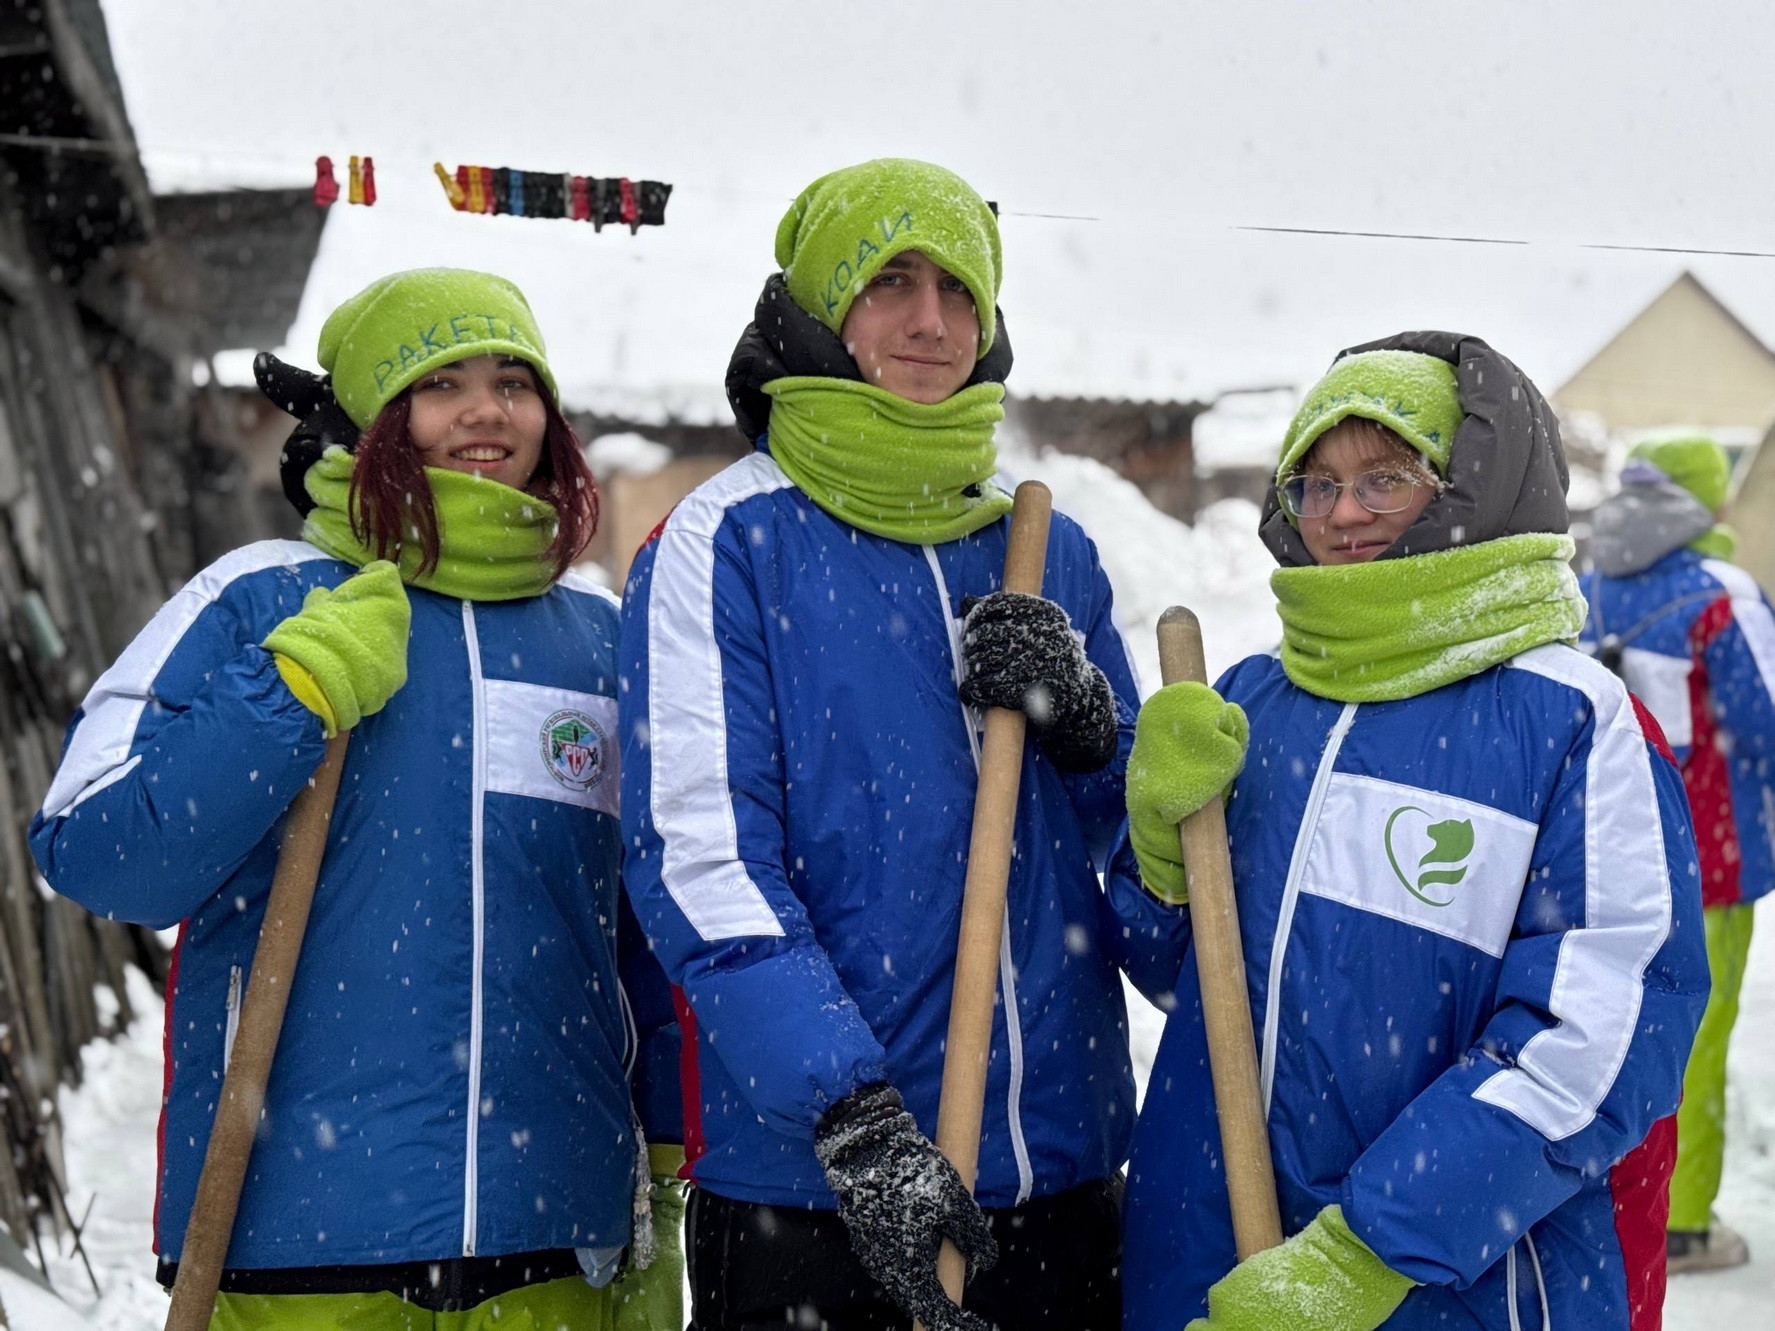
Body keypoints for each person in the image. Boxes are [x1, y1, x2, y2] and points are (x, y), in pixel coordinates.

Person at [30, 268, 683, 1329]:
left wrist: (658, 1178)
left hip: (553, 1240)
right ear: (376, 416)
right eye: (440, 383)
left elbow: (649, 940)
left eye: (514, 381)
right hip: (301, 1237)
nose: (485, 410)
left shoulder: (596, 641)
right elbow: (95, 852)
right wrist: (284, 696)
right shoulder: (261, 599)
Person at [620, 158, 1172, 1331]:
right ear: (821, 310)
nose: (930, 320)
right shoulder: (727, 542)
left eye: (958, 291)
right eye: (889, 282)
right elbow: (704, 858)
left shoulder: (1043, 552)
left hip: (1056, 1185)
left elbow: (1143, 868)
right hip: (817, 1200)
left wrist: (1089, 736)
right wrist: (856, 1117)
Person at [1119, 335, 1710, 1330]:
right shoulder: (1254, 699)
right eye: (1312, 483)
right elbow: (1191, 986)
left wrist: (1362, 1251)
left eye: (1384, 478)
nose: (1341, 513)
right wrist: (1156, 859)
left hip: (1450, 1285)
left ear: (1463, 492)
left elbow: (1596, 1037)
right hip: (1210, 1263)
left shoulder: (1566, 719)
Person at [1579, 434, 1775, 1273]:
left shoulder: (1591, 579)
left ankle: (1613, 1198)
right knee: (1698, 1030)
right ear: (1707, 500)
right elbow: (1763, 719)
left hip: (1609, 845)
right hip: (1712, 861)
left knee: (1613, 1026)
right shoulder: (1719, 593)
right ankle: (1684, 1220)